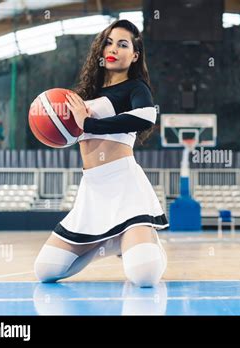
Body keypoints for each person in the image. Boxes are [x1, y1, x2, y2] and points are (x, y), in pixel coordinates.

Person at [34, 19, 169, 287]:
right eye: (108, 42)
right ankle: (106, 242)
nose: (114, 49)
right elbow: (64, 128)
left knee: (144, 275)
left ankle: (146, 242)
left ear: (134, 55)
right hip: (92, 190)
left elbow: (146, 117)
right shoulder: (85, 94)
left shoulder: (135, 88)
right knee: (45, 270)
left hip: (125, 185)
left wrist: (90, 123)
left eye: (123, 45)